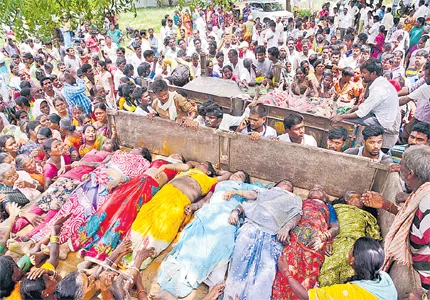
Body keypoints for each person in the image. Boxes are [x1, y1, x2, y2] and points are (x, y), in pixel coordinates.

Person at [157, 171, 262, 298]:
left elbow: (255, 195)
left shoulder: (244, 188)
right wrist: (194, 206)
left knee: (221, 244)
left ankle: (210, 279)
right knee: (194, 240)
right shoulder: (220, 185)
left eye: (240, 176)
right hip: (209, 213)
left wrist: (235, 192)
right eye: (235, 174)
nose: (235, 176)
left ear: (244, 181)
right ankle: (185, 269)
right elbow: (206, 200)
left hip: (227, 215)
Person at [72, 155, 190, 265]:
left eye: (179, 157)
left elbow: (186, 167)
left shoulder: (177, 167)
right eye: (175, 154)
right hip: (136, 181)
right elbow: (136, 175)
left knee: (123, 218)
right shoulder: (157, 159)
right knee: (109, 207)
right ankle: (82, 241)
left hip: (149, 187)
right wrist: (117, 181)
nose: (176, 155)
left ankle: (95, 256)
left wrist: (166, 166)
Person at [125, 161, 231, 269]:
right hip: (165, 194)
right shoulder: (188, 170)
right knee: (145, 215)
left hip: (180, 201)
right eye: (198, 164)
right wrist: (195, 165)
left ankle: (140, 260)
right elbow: (189, 163)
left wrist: (214, 170)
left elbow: (227, 174)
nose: (198, 164)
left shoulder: (211, 179)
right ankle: (126, 250)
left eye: (202, 165)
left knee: (164, 227)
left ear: (208, 172)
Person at [362, 145, 430, 299]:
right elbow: (412, 221)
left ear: (410, 174)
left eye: (402, 166)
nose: (399, 169)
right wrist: (386, 205)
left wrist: (425, 295)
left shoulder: (427, 205)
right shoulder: (421, 195)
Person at [223, 180, 302, 300]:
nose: (287, 183)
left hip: (272, 236)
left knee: (265, 274)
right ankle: (231, 295)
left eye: (290, 184)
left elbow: (297, 215)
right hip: (251, 227)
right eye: (284, 182)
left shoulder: (295, 199)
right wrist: (235, 196)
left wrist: (286, 228)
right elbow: (249, 198)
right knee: (239, 265)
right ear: (275, 185)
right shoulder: (265, 192)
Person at [272, 186, 340, 299]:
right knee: (286, 270)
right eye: (312, 189)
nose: (315, 189)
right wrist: (286, 230)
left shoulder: (329, 207)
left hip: (315, 242)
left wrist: (324, 238)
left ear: (326, 198)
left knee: (309, 276)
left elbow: (335, 227)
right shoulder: (301, 202)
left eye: (320, 190)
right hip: (295, 237)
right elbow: (291, 216)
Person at [278, 237, 397, 300]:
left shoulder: (347, 293)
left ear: (352, 260)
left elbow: (305, 296)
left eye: (351, 249)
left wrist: (286, 272)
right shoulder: (385, 279)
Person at [332, 59, 400, 150]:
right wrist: (354, 108)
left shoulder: (379, 89)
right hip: (379, 116)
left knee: (347, 119)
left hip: (382, 122)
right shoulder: (378, 83)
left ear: (373, 73)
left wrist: (342, 117)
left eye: (364, 73)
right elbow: (365, 105)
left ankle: (347, 145)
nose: (362, 75)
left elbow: (361, 113)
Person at [318, 191, 381, 286]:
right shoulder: (336, 209)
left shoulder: (366, 215)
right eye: (358, 197)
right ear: (347, 199)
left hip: (355, 246)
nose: (362, 200)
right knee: (327, 273)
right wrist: (326, 242)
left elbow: (374, 234)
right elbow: (323, 225)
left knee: (351, 276)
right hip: (336, 244)